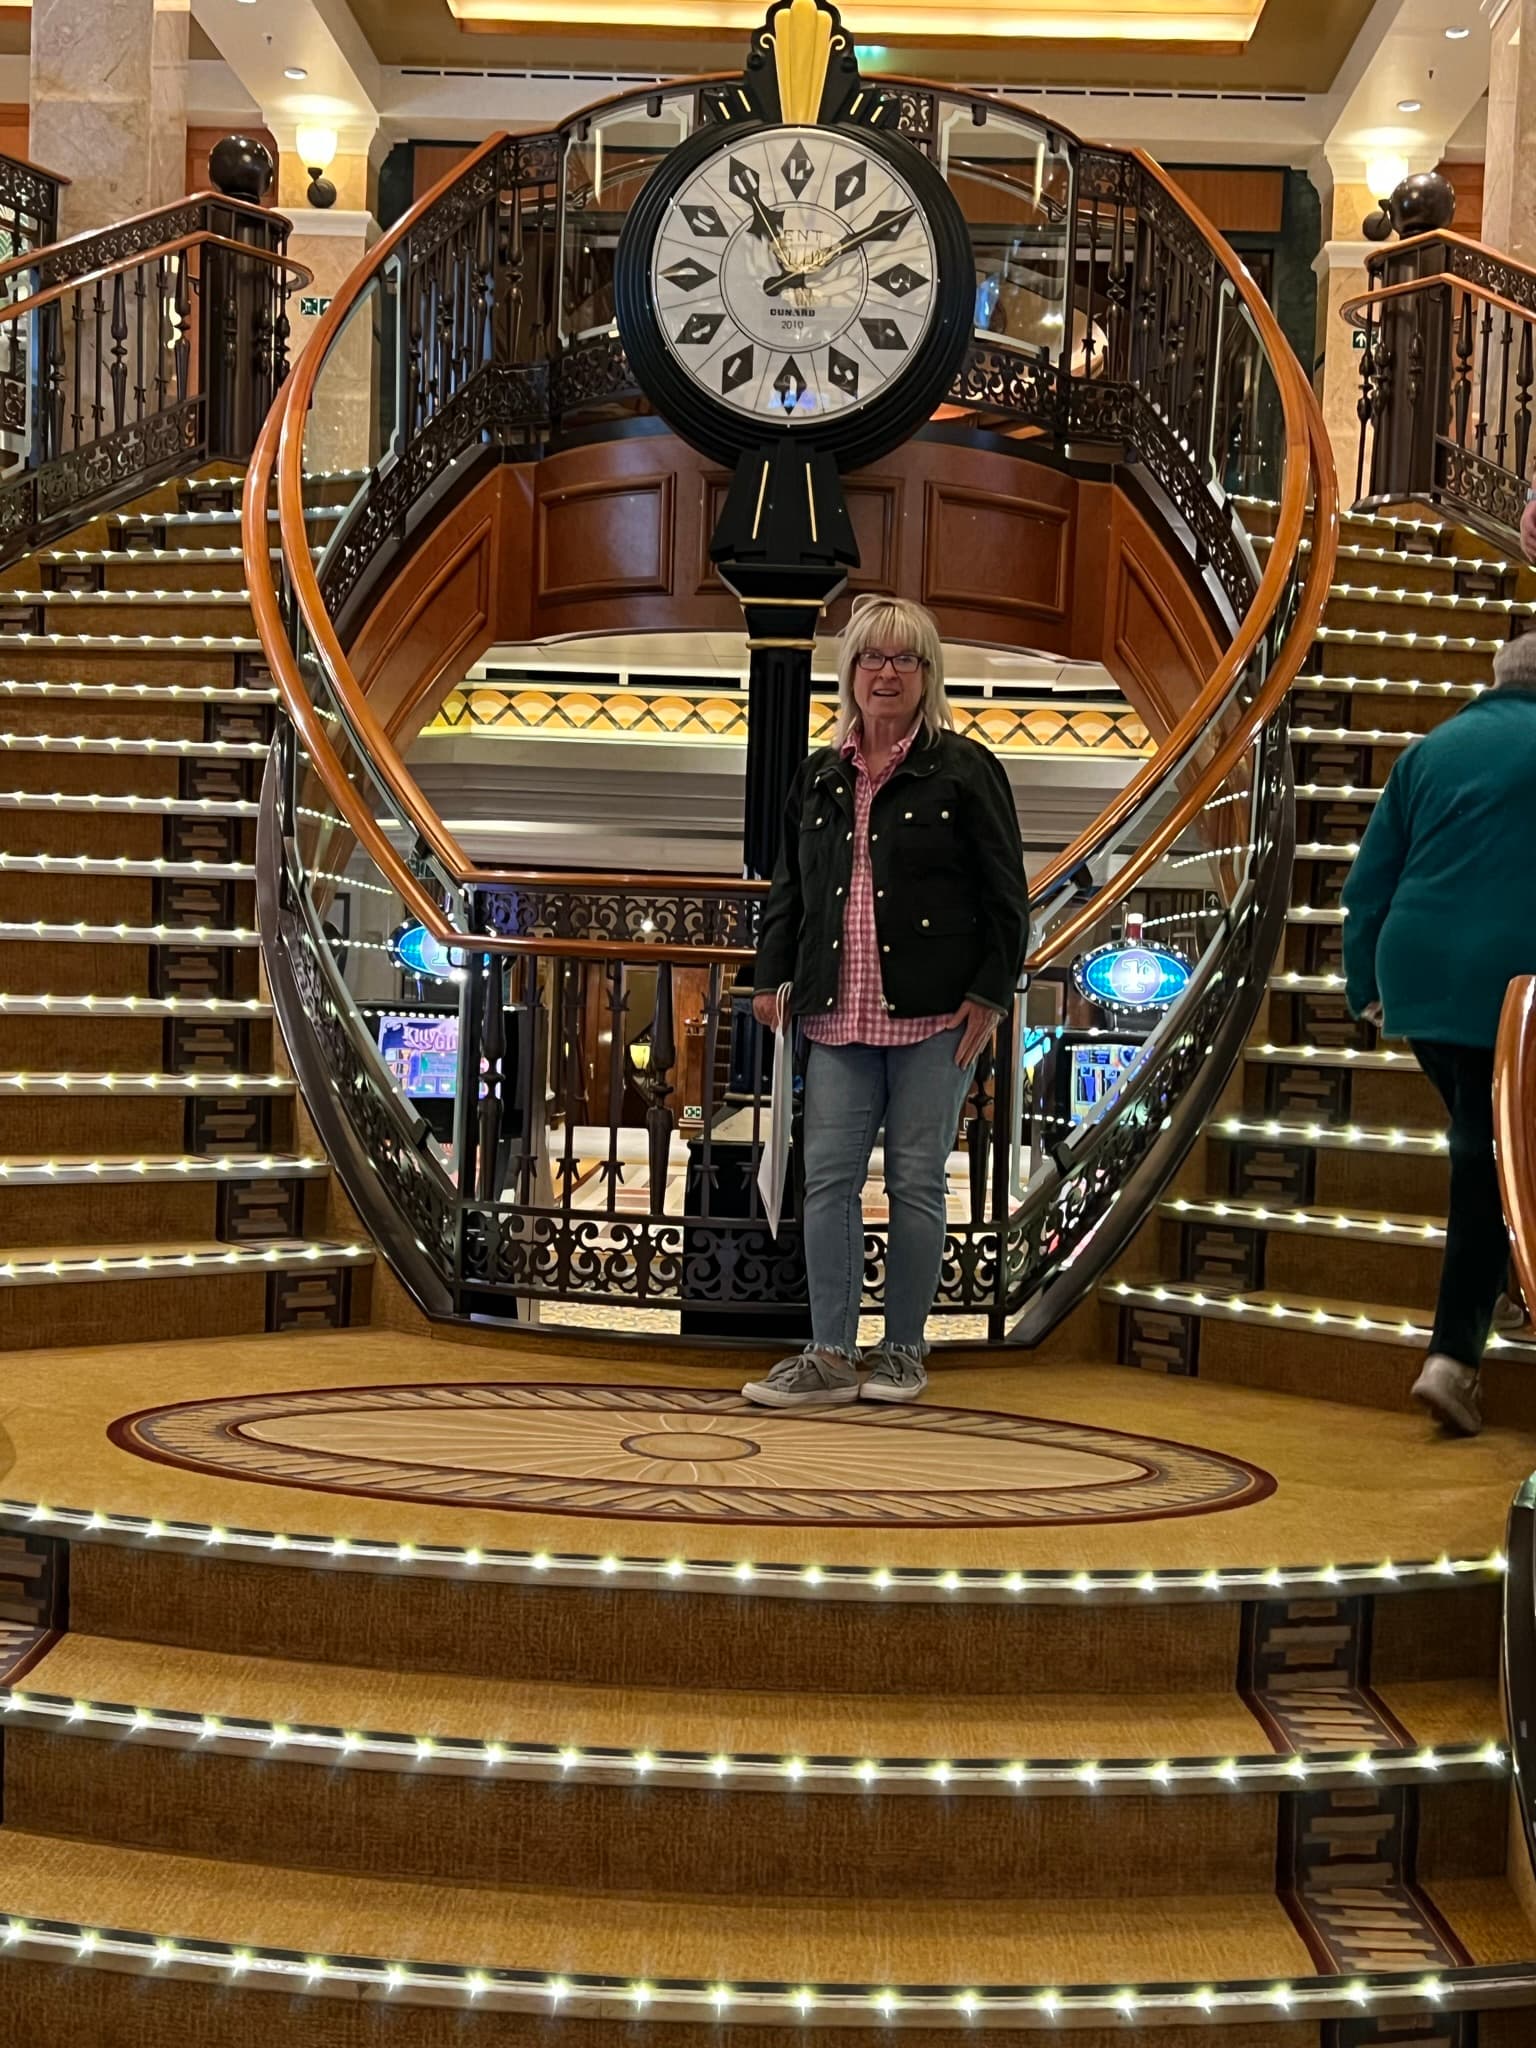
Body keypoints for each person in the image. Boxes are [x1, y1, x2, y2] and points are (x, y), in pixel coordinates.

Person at [741, 594, 1030, 1409]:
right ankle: (829, 1355)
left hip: (937, 1016)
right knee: (826, 1182)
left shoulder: (966, 769)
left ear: (928, 676)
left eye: (905, 659)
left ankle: (902, 1350)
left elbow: (1008, 896)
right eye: (872, 658)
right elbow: (788, 891)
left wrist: (991, 992)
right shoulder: (818, 773)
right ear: (850, 673)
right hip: (836, 1014)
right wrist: (770, 979)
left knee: (916, 1182)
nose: (887, 673)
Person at [1341, 629, 1536, 1437]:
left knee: (1488, 1140)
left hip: (1416, 973)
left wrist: (1364, 989)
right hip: (1514, 980)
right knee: (1489, 1154)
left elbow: (1366, 881)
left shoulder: (1432, 749)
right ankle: (1453, 1357)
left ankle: (1505, 1283)